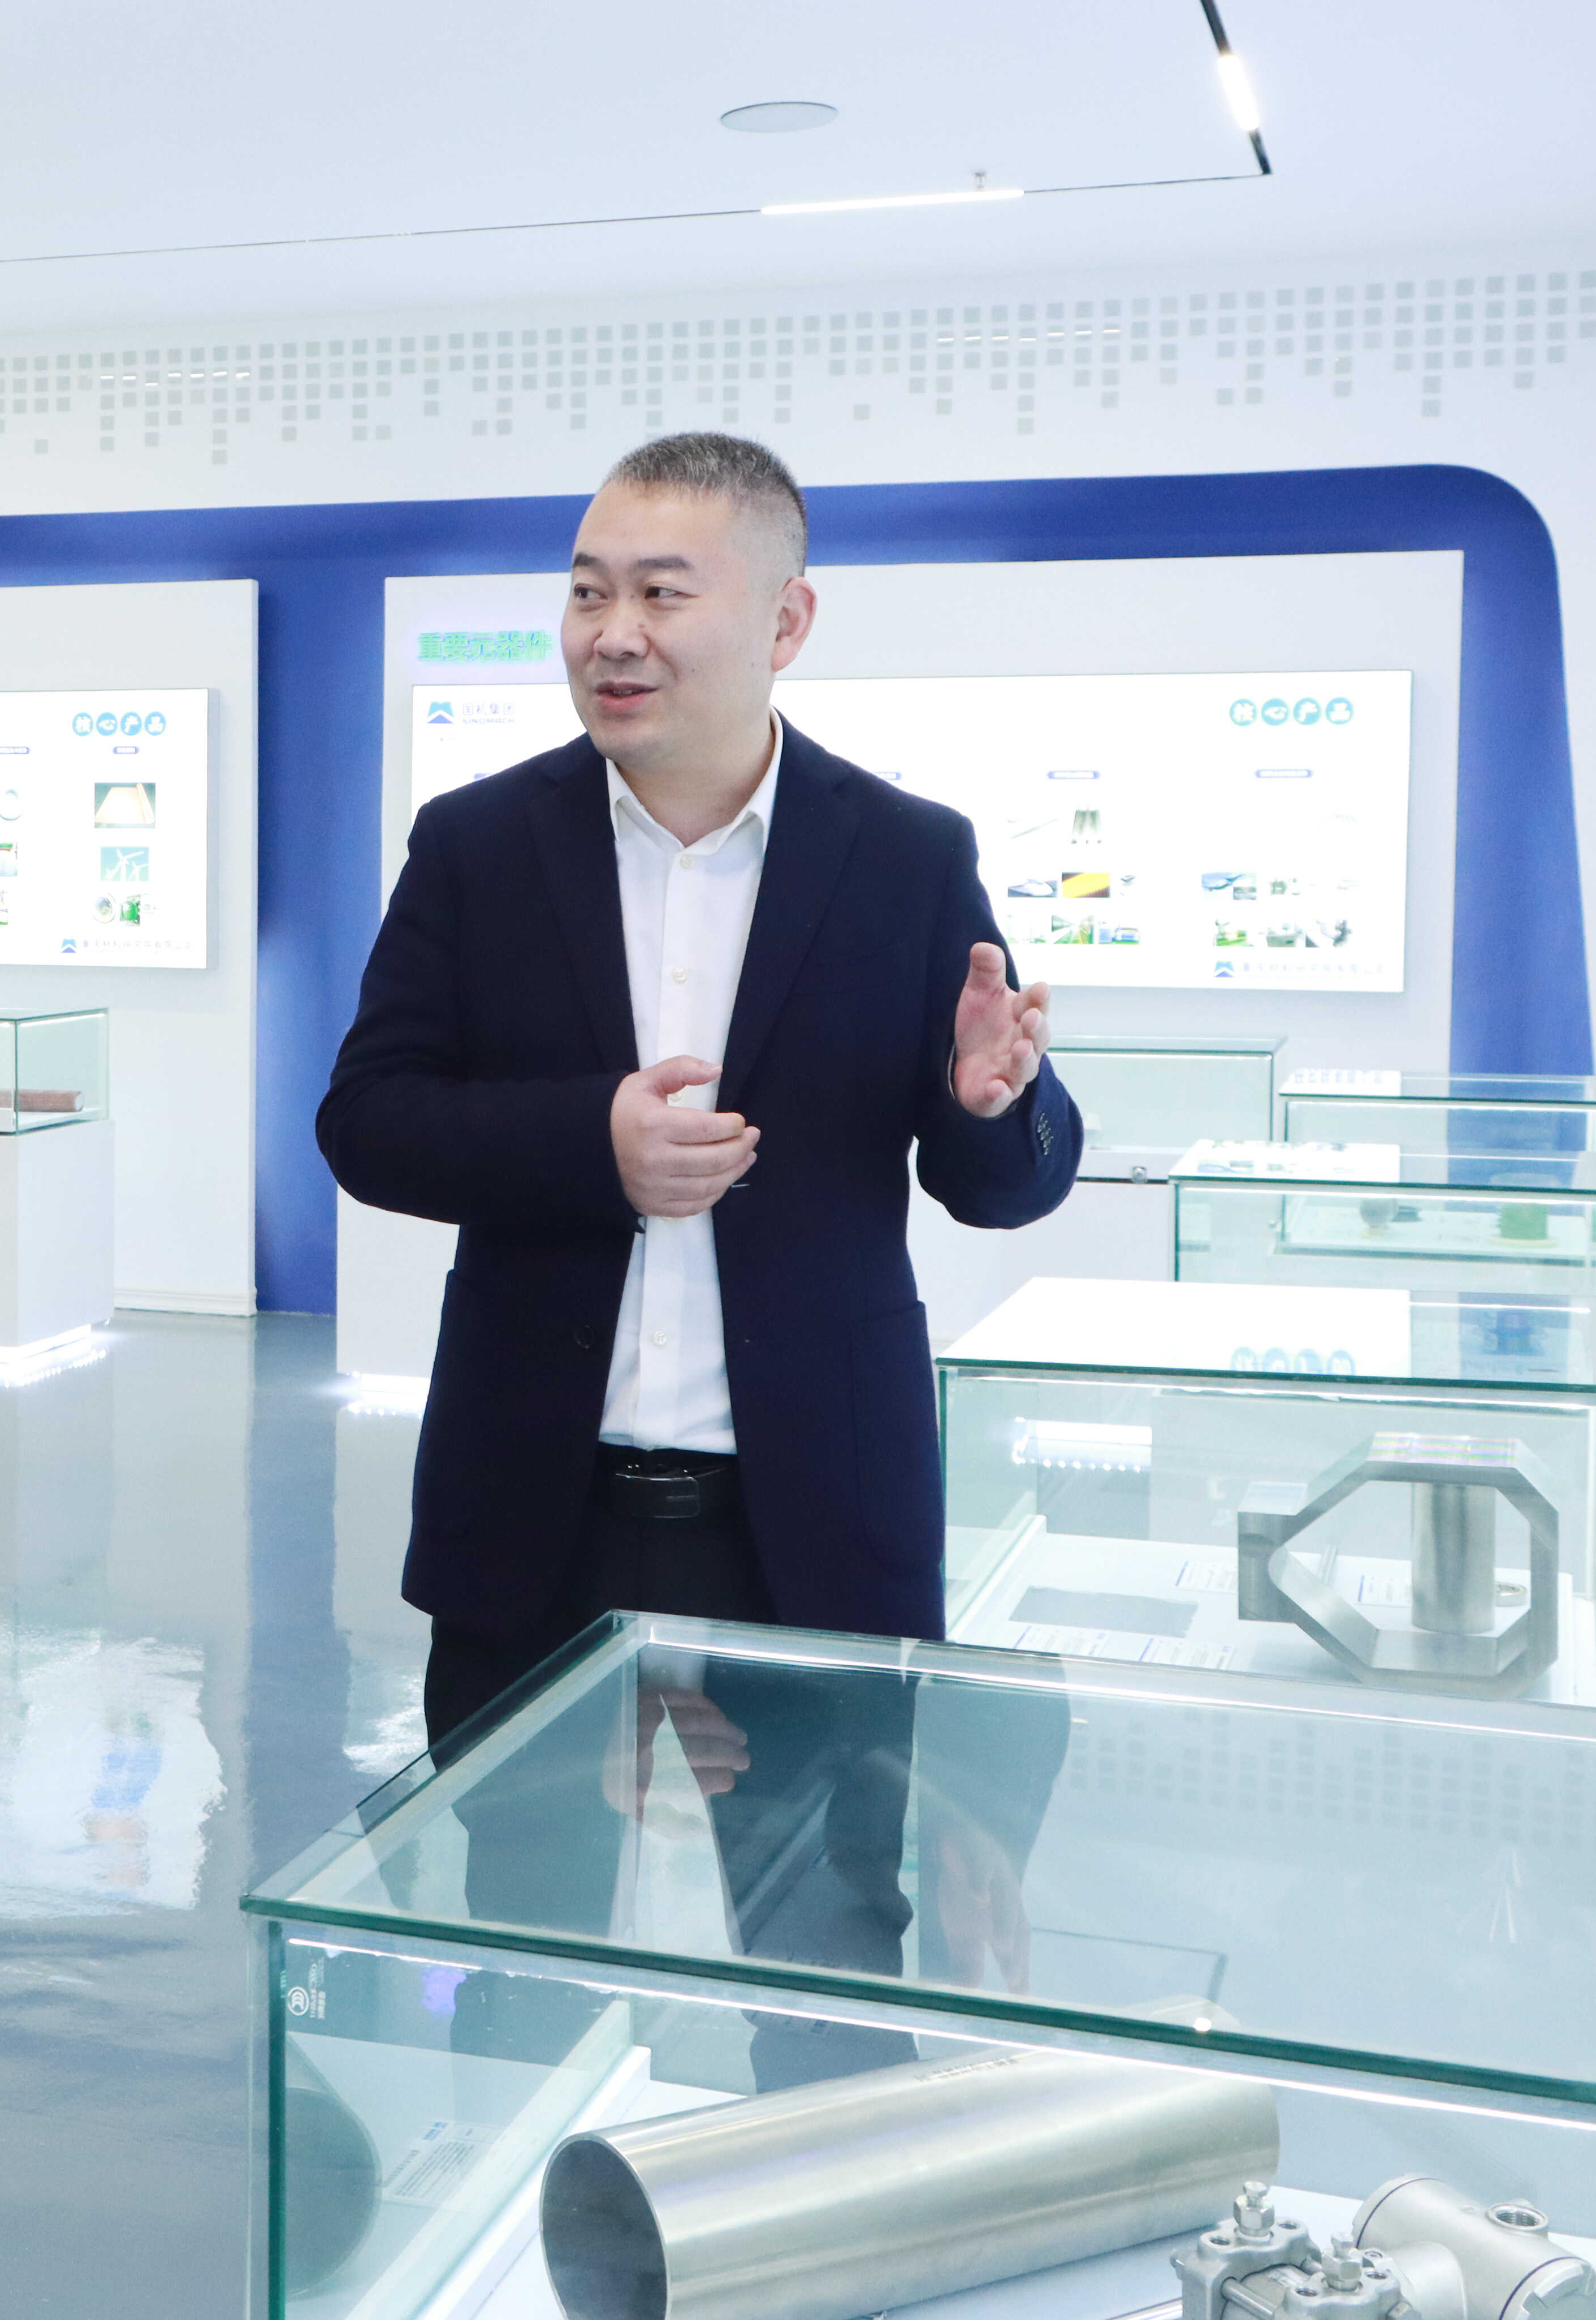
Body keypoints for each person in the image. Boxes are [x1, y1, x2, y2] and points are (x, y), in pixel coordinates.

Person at [315, 430, 1079, 1734]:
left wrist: (988, 1105)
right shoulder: (476, 846)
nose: (611, 634)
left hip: (813, 1528)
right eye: (586, 590)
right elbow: (367, 1121)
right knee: (513, 1862)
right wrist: (589, 1143)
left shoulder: (901, 858)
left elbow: (1001, 1191)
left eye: (661, 593)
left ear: (785, 622)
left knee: (826, 1868)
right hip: (531, 1519)